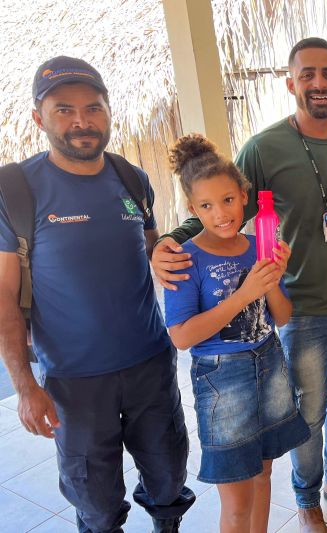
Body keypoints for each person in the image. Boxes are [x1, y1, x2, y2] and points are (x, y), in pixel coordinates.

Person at [151, 38, 327, 532]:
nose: (319, 83)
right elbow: (220, 205)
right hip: (298, 307)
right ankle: (307, 498)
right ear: (290, 82)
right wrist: (168, 242)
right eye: (307, 74)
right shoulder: (263, 148)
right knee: (307, 413)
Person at [0, 56, 194, 532]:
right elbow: (3, 295)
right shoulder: (15, 189)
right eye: (64, 109)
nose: (81, 121)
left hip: (151, 365)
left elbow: (151, 248)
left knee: (168, 482)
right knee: (97, 504)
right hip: (75, 381)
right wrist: (25, 387)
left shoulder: (132, 178)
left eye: (93, 107)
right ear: (39, 118)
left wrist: (172, 253)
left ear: (109, 112)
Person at [162, 134, 310, 533]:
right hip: (222, 380)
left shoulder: (258, 244)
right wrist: (244, 294)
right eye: (206, 206)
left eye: (228, 200)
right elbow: (181, 337)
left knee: (264, 475)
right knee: (237, 500)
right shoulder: (185, 259)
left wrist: (272, 278)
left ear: (244, 196)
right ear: (192, 209)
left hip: (270, 364)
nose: (221, 213)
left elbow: (281, 316)